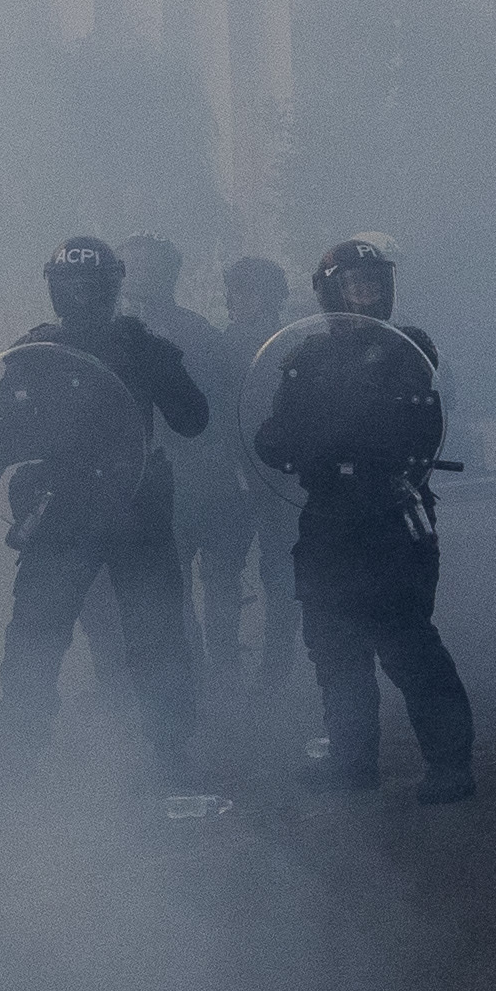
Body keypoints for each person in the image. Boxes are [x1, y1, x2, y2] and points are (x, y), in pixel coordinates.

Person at [0, 237, 208, 780]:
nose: (80, 293)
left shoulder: (142, 345)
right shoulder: (33, 353)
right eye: (70, 283)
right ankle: (19, 753)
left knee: (154, 632)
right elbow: (12, 431)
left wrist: (158, 362)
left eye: (90, 283)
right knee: (35, 633)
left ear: (110, 286)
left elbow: (194, 418)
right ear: (56, 288)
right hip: (61, 509)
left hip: (133, 509)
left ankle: (171, 751)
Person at [253, 237, 476, 803]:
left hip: (390, 510)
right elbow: (278, 437)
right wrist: (283, 441)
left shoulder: (407, 348)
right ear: (331, 291)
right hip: (329, 517)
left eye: (376, 284)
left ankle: (451, 766)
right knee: (334, 649)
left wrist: (332, 432)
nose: (368, 295)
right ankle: (352, 764)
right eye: (356, 285)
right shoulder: (304, 358)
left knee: (407, 644)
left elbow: (411, 422)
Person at [125, 235, 256, 683]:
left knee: (220, 579)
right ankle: (190, 672)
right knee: (169, 583)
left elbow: (226, 403)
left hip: (205, 473)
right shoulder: (109, 336)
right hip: (146, 479)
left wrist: (229, 465)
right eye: (135, 267)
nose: (144, 277)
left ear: (170, 275)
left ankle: (224, 667)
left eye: (153, 268)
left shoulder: (200, 334)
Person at [221, 256, 304, 689]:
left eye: (251, 289)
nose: (241, 299)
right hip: (236, 471)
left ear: (273, 295)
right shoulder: (222, 344)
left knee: (280, 573)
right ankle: (224, 668)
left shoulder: (297, 343)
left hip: (281, 474)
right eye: (236, 289)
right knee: (224, 573)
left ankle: (277, 667)